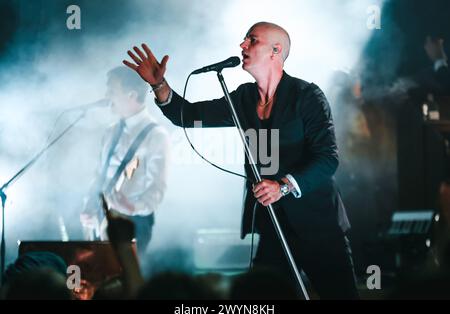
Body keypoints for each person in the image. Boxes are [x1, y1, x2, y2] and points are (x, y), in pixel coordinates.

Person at [123, 22, 358, 299]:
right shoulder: (244, 98)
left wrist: (283, 186)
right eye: (245, 39)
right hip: (272, 225)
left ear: (275, 50)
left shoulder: (306, 96)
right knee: (260, 300)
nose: (242, 45)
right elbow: (187, 115)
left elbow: (328, 158)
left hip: (318, 226)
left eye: (252, 40)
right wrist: (159, 85)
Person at [80, 66, 170, 257]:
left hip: (133, 222)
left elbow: (157, 189)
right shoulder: (111, 131)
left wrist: (133, 207)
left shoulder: (156, 135)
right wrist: (89, 205)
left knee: (126, 283)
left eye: (112, 91)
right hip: (103, 219)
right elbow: (99, 174)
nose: (106, 96)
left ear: (131, 94)